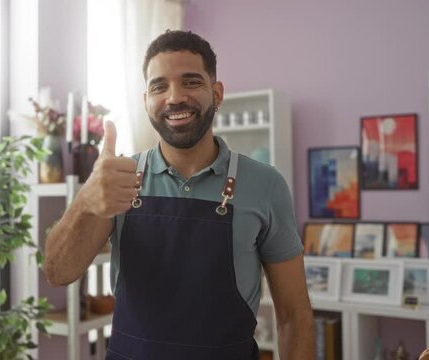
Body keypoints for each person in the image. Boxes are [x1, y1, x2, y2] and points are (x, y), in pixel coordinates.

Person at [44, 30, 315, 360]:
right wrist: (85, 201)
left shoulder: (265, 185)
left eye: (191, 82)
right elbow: (58, 273)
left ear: (216, 94)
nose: (174, 97)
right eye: (159, 86)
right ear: (146, 101)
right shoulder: (118, 179)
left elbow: (294, 315)